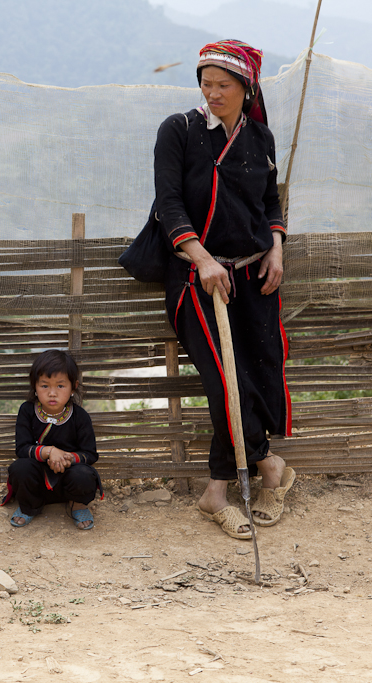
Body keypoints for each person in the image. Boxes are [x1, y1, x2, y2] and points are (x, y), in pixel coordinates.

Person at [154, 39, 295, 539]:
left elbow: (271, 204)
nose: (212, 93)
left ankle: (222, 489)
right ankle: (263, 469)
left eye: (223, 85)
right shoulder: (181, 131)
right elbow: (168, 205)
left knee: (255, 376)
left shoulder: (262, 138)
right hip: (198, 278)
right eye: (205, 84)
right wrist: (204, 259)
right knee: (224, 383)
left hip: (255, 275)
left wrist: (276, 247)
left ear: (246, 87)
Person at [3, 350, 100, 530]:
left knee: (85, 474)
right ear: (35, 386)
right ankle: (29, 506)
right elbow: (22, 448)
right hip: (37, 478)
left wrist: (67, 458)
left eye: (60, 386)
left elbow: (90, 454)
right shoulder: (27, 411)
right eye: (45, 386)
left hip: (69, 479)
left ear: (74, 386)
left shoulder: (80, 416)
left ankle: (77, 505)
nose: (52, 393)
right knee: (20, 468)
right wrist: (49, 452)